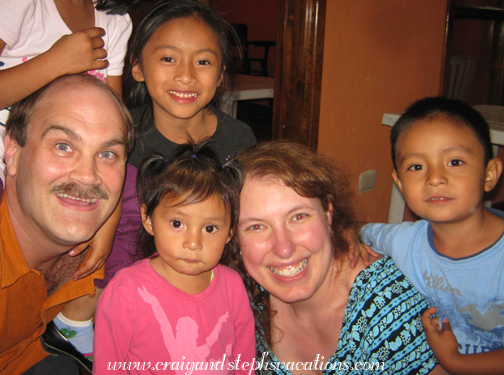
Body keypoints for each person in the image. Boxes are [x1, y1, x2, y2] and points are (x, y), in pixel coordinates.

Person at [229, 141, 447, 375]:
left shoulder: (386, 309)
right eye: (256, 227)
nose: (284, 248)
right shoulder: (243, 290)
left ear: (328, 215)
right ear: (231, 236)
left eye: (299, 217)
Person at [0, 0, 136, 358]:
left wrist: (109, 217)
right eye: (63, 145)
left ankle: (75, 321)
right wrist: (53, 64)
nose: (88, 174)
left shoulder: (117, 21)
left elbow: (116, 129)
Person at [360, 97, 504, 374]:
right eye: (416, 167)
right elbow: (357, 231)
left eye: (455, 161)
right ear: (400, 183)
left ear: (489, 175)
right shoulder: (404, 240)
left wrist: (456, 363)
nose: (434, 178)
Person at [93, 142, 255, 375]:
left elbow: (244, 362)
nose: (193, 243)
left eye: (210, 228)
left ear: (230, 231)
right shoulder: (126, 291)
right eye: (177, 224)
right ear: (148, 219)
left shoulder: (232, 286)